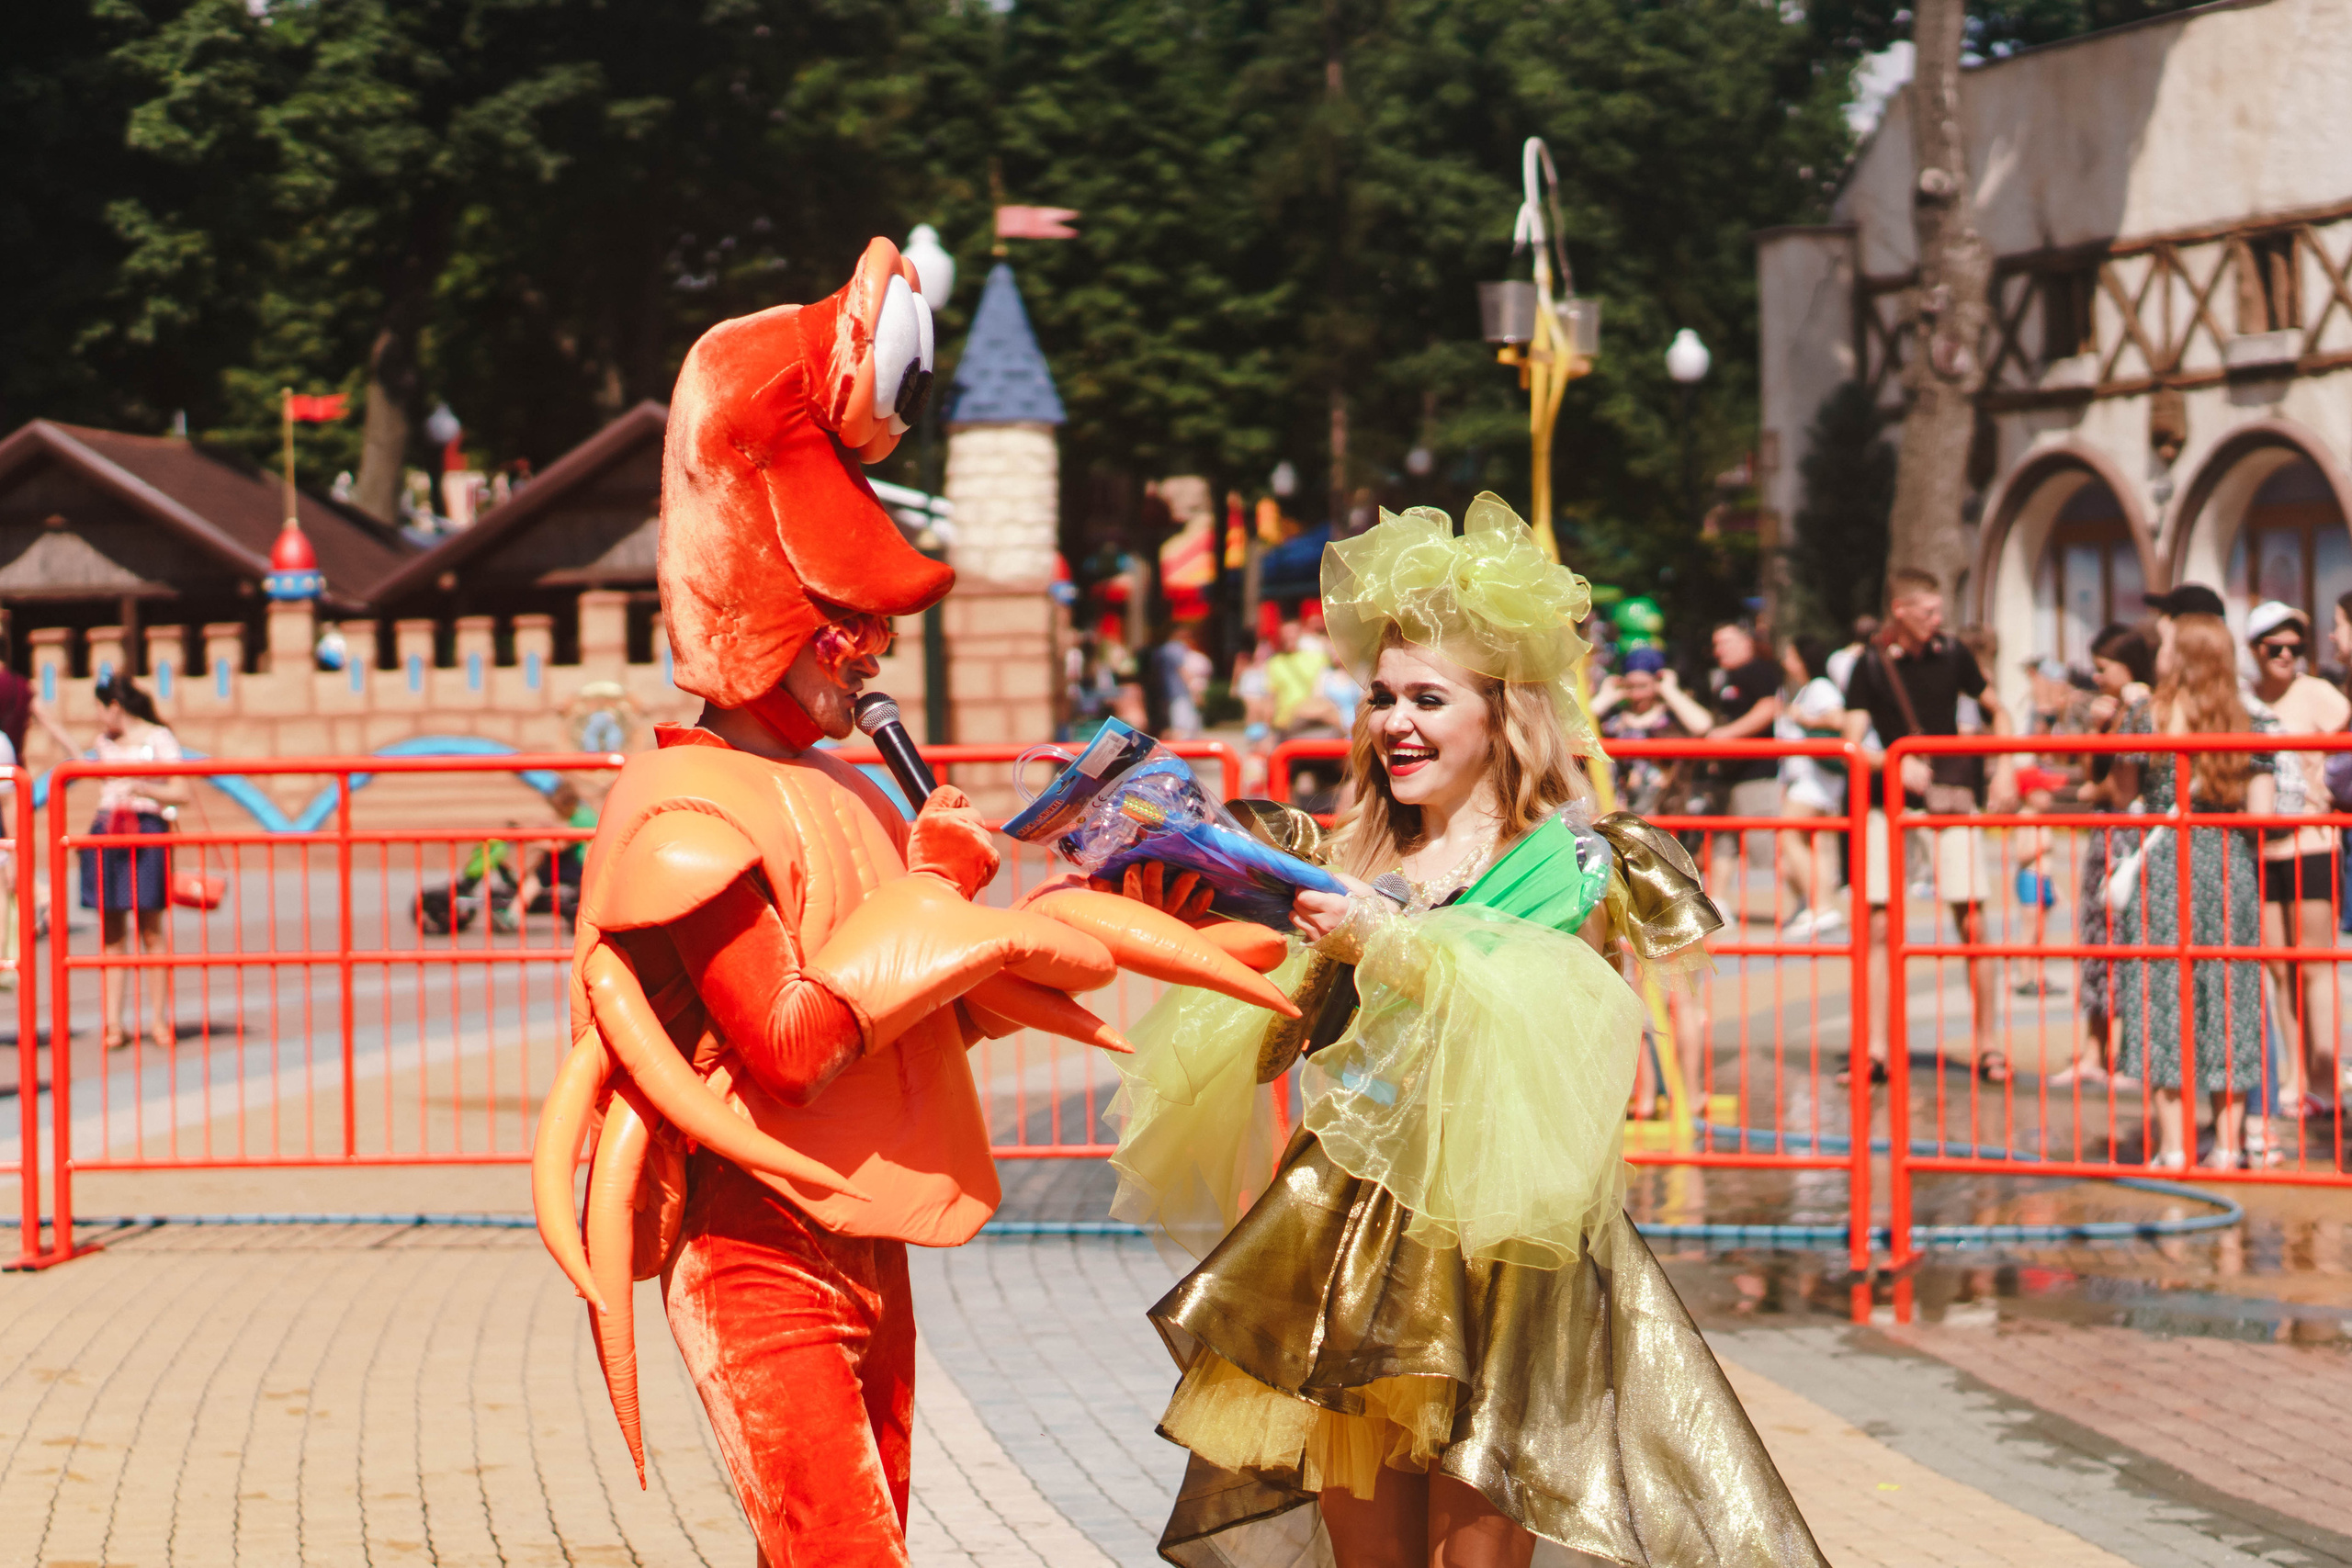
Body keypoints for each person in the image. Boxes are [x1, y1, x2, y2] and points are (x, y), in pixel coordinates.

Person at [526, 239, 1172, 1565]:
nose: (868, 656)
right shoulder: (685, 809)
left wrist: (1048, 923)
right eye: (841, 620)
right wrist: (936, 892)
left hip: (869, 1241)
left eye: (874, 625)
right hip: (758, 1245)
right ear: (762, 611)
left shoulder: (848, 791)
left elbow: (920, 1020)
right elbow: (793, 1041)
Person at [1107, 494, 1825, 1568]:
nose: (1394, 722)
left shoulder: (1577, 859)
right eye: (1382, 697)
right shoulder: (1346, 854)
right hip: (1350, 1240)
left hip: (1503, 1251)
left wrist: (1378, 941)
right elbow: (1272, 1037)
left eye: (1428, 699)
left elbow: (1536, 1004)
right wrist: (1209, 902)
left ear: (1503, 713)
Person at [2103, 612, 2276, 1168]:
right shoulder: (2249, 723)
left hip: (2164, 864)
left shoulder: (2143, 716)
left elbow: (2120, 789)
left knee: (2161, 999)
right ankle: (2229, 1147)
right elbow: (2264, 816)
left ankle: (2174, 1149)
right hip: (2226, 864)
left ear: (2180, 657)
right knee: (2231, 999)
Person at [1840, 570, 2019, 1085]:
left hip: (1948, 797)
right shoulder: (1870, 663)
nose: (1938, 621)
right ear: (1901, 610)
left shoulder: (1954, 653)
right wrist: (1890, 763)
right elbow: (1853, 744)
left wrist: (2004, 764)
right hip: (1887, 801)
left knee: (1973, 921)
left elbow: (1997, 711)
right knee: (1878, 924)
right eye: (1928, 612)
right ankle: (1875, 1049)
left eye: (1940, 612)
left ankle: (1988, 1043)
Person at [2242, 601, 2346, 1127]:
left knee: (2315, 966)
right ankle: (2294, 1077)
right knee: (2279, 968)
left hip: (2311, 839)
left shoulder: (2318, 695)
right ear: (2254, 650)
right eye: (2274, 647)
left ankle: (2326, 1080)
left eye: (2295, 647)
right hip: (2262, 844)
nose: (2286, 655)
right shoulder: (2243, 701)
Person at [2058, 624, 2157, 1088]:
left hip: (2131, 840)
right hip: (2107, 837)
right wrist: (2098, 730)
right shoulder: (2115, 712)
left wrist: (2094, 787)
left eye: (2104, 668)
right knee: (2098, 941)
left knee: (2132, 942)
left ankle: (2132, 1054)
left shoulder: (2144, 710)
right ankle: (2097, 1051)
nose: (2097, 678)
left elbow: (2116, 787)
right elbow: (2091, 776)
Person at [80, 673, 190, 1051]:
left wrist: (141, 785)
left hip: (146, 828)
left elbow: (182, 790)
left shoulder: (157, 738)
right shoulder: (103, 743)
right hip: (109, 828)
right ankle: (113, 1023)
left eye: (99, 707)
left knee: (151, 929)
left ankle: (159, 1019)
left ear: (114, 706)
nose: (97, 716)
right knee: (112, 932)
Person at [1775, 634, 1849, 940]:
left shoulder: (1820, 687)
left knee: (1790, 836)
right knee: (1801, 844)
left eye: (1792, 656)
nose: (1787, 662)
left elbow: (1837, 719)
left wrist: (1801, 718)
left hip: (1816, 779)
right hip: (1804, 778)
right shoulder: (1806, 689)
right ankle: (1814, 903)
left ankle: (1820, 905)